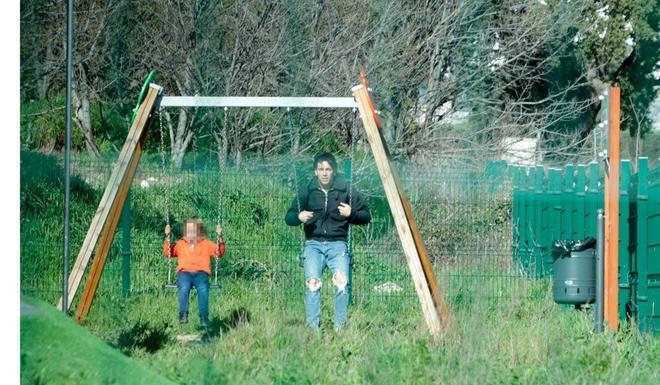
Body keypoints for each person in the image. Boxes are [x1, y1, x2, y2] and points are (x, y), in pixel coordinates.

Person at [285, 152, 371, 331]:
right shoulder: (307, 190)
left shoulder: (345, 189)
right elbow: (289, 217)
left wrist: (351, 214)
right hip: (313, 245)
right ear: (315, 171)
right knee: (313, 284)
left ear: (334, 171)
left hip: (337, 244)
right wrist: (299, 216)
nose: (324, 173)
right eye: (320, 169)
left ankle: (340, 329)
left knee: (341, 284)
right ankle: (313, 331)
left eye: (328, 169)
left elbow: (366, 215)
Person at [164, 217, 225, 327]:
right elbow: (169, 253)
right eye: (188, 230)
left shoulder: (206, 243)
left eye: (193, 231)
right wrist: (167, 236)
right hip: (185, 273)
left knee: (202, 288)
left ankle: (204, 317)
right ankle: (183, 314)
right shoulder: (181, 243)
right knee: (183, 287)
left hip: (201, 273)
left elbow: (219, 253)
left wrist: (220, 237)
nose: (190, 233)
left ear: (200, 231)